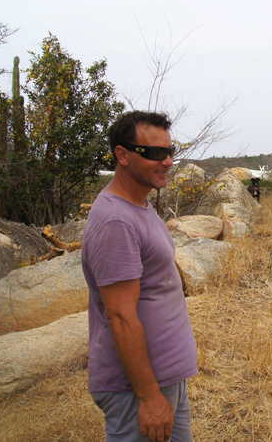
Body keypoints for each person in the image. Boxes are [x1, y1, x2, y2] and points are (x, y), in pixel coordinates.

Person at [81, 111, 198, 442]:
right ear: (123, 155)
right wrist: (148, 397)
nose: (167, 162)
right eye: (155, 153)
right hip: (136, 391)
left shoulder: (139, 204)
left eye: (170, 151)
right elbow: (119, 316)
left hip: (163, 380)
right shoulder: (116, 222)